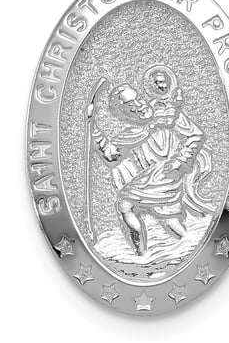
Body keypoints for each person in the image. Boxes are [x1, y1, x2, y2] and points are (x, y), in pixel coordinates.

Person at [88, 66, 213, 256]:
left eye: (138, 98)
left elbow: (196, 135)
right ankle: (187, 246)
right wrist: (93, 127)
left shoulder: (167, 113)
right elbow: (110, 155)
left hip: (167, 171)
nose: (139, 105)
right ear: (124, 113)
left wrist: (181, 160)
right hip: (151, 176)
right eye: (130, 106)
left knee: (126, 205)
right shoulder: (131, 134)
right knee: (169, 220)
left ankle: (143, 253)